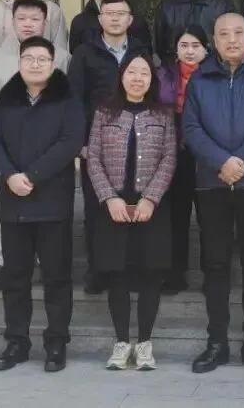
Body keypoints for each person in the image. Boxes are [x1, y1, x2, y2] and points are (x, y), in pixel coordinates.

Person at [182, 13, 244, 374]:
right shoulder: (200, 78)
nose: (232, 39)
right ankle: (217, 341)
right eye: (224, 34)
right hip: (211, 182)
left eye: (238, 32)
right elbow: (191, 127)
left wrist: (240, 161)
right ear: (214, 40)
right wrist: (221, 162)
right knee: (215, 263)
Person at [0, 37, 84, 373]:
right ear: (20, 62)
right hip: (13, 201)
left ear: (53, 64)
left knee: (57, 278)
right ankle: (17, 342)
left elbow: (70, 142)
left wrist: (32, 175)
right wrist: (9, 175)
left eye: (43, 59)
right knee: (15, 278)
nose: (36, 64)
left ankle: (56, 343)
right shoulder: (8, 98)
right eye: (29, 58)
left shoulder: (67, 99)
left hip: (53, 202)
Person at [86, 53, 178, 371]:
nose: (137, 78)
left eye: (144, 73)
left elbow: (169, 158)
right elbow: (93, 158)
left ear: (152, 80)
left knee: (151, 275)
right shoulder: (104, 112)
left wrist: (150, 198)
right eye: (132, 72)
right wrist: (109, 198)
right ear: (121, 76)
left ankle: (145, 344)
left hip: (151, 208)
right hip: (114, 207)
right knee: (118, 276)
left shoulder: (163, 114)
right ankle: (122, 342)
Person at [0, 0, 70, 291]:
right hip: (9, 151)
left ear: (45, 23)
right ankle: (7, 264)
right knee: (5, 210)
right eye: (22, 18)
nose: (28, 24)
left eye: (35, 19)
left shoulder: (63, 58)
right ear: (12, 22)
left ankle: (45, 264)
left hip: (49, 153)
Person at [68, 0, 152, 295]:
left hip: (136, 138)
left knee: (132, 201)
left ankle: (131, 269)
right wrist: (79, 141)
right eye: (109, 13)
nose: (115, 18)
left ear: (130, 19)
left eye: (121, 13)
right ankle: (98, 270)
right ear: (100, 18)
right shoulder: (84, 52)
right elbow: (74, 99)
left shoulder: (141, 51)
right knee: (97, 207)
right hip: (96, 142)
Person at [155, 25, 209, 294]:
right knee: (176, 217)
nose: (190, 51)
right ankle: (175, 274)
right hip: (173, 151)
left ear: (206, 49)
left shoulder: (215, 74)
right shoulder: (163, 74)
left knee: (210, 218)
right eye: (184, 45)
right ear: (175, 49)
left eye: (196, 46)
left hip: (207, 153)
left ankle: (213, 275)